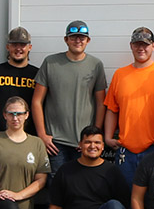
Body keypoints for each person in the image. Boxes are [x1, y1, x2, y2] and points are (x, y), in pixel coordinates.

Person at [33, 20, 109, 174]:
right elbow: (36, 101)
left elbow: (101, 103)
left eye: (82, 38)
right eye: (73, 37)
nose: (77, 41)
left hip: (84, 142)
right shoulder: (51, 62)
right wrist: (42, 134)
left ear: (88, 40)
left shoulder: (96, 65)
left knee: (82, 183)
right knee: (57, 185)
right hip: (55, 143)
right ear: (66, 39)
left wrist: (95, 135)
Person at [105, 27, 154, 180]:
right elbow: (111, 108)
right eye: (137, 44)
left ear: (153, 46)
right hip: (125, 150)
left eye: (145, 44)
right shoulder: (119, 75)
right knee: (126, 197)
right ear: (131, 46)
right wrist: (108, 137)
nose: (141, 48)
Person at [0, 27, 38, 140]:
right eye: (14, 44)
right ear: (8, 47)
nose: (18, 48)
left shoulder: (37, 75)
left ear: (29, 47)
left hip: (28, 138)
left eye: (22, 45)